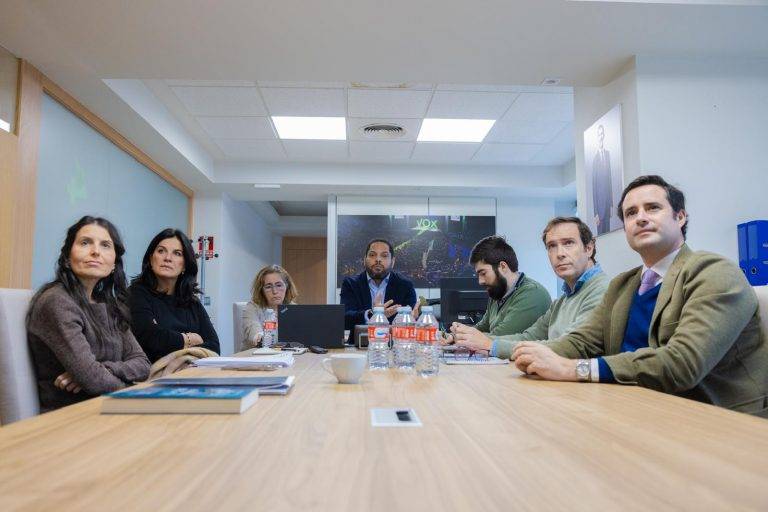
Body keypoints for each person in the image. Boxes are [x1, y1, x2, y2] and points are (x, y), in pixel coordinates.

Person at [513, 175, 768, 417]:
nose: (641, 218)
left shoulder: (714, 272)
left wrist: (573, 368)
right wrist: (531, 356)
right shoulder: (623, 285)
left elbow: (682, 364)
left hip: (713, 419)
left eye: (653, 208)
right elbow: (581, 342)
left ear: (680, 217)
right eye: (631, 213)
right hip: (632, 408)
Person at [26, 216, 150, 412]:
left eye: (105, 245)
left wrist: (105, 368)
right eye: (85, 243)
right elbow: (93, 380)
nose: (95, 251)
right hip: (71, 416)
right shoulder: (57, 301)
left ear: (113, 265)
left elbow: (142, 364)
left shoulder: (109, 305)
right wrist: (130, 391)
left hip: (109, 407)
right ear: (67, 258)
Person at [452, 217, 608, 359]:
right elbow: (528, 337)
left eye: (568, 243)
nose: (559, 253)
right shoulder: (563, 300)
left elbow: (571, 346)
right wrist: (471, 338)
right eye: (551, 246)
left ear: (589, 248)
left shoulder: (602, 290)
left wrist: (491, 345)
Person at [128, 228, 220, 363]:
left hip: (192, 374)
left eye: (177, 253)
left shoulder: (192, 302)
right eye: (161, 251)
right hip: (153, 376)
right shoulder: (136, 293)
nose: (167, 258)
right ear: (151, 258)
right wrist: (189, 339)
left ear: (184, 266)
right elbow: (150, 338)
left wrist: (170, 342)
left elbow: (214, 347)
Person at [449, 236, 551, 341]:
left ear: (503, 267)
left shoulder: (532, 294)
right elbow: (483, 327)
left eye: (483, 273)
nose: (480, 281)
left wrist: (461, 336)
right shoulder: (498, 292)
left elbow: (500, 337)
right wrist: (454, 335)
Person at [340, 238, 417, 331]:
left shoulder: (405, 285)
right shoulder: (351, 284)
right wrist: (373, 314)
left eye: (384, 256)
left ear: (393, 262)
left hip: (393, 343)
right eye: (372, 255)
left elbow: (410, 319)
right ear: (364, 260)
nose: (378, 259)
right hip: (360, 342)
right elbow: (345, 317)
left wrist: (414, 318)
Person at [240, 265, 299, 351]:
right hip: (255, 357)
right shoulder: (252, 307)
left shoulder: (293, 309)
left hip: (286, 356)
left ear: (287, 286)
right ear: (261, 290)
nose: (274, 291)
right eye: (268, 287)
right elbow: (255, 333)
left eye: (279, 285)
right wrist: (261, 337)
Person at [592, 123, 613, 235]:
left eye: (602, 134)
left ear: (604, 136)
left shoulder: (608, 155)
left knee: (609, 233)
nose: (601, 136)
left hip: (607, 206)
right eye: (599, 134)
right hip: (599, 209)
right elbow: (594, 188)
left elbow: (609, 181)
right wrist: (595, 212)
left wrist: (611, 204)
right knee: (601, 236)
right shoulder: (595, 160)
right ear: (597, 137)